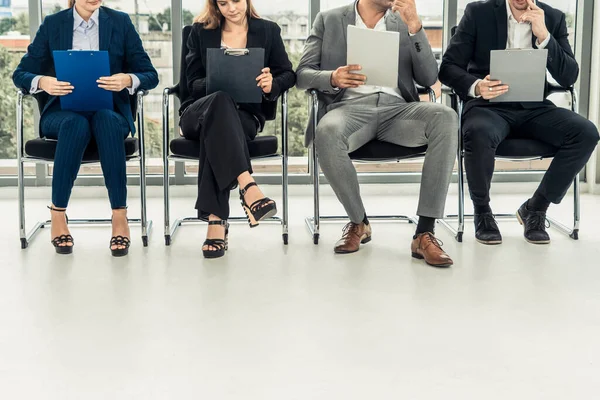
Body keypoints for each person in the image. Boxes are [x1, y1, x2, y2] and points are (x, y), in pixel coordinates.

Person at [296, 0, 458, 268]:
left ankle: (425, 232)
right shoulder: (329, 20)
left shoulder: (404, 22)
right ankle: (359, 222)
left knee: (446, 117)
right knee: (326, 130)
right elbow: (302, 74)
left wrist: (415, 26)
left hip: (398, 111)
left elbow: (429, 77)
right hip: (349, 109)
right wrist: (332, 78)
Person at [439, 0, 599, 245]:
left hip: (534, 107)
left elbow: (569, 76)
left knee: (586, 133)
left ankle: (535, 209)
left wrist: (544, 36)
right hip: (488, 106)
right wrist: (477, 85)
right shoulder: (478, 12)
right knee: (478, 131)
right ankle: (482, 212)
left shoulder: (552, 18)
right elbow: (448, 67)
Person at [12, 1, 158, 256]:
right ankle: (58, 215)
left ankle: (119, 217)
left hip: (109, 111)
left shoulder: (120, 22)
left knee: (105, 121)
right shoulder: (53, 24)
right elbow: (20, 73)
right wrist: (43, 81)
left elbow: (150, 74)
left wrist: (127, 79)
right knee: (75, 124)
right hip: (62, 113)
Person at [180, 0, 296, 259]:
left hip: (244, 116)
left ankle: (216, 221)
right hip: (198, 113)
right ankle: (248, 186)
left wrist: (270, 84)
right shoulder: (200, 32)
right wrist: (223, 77)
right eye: (223, 3)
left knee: (219, 132)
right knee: (220, 101)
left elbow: (288, 74)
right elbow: (191, 84)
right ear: (215, 5)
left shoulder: (268, 31)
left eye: (236, 1)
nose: (231, 8)